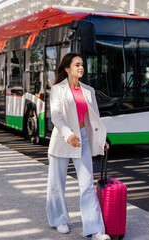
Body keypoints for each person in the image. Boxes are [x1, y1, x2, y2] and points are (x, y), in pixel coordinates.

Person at [46, 53, 111, 240]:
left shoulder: (88, 91)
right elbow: (56, 117)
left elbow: (94, 120)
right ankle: (59, 220)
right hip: (63, 138)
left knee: (87, 185)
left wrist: (101, 139)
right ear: (67, 68)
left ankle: (95, 229)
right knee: (57, 183)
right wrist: (68, 134)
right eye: (77, 65)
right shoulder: (58, 89)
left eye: (82, 64)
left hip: (81, 137)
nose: (81, 67)